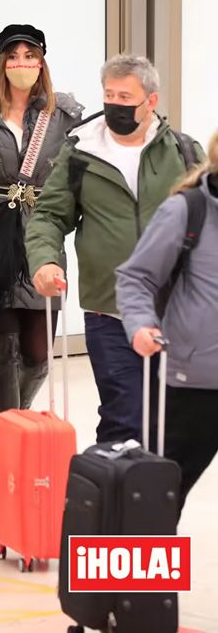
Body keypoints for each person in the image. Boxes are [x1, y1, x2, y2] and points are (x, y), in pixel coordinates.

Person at [26, 53, 204, 443]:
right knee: (124, 413)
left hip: (175, 311)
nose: (116, 105)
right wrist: (44, 261)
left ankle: (151, 498)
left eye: (126, 96)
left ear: (151, 101)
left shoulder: (183, 153)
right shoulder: (81, 153)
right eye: (110, 95)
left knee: (167, 421)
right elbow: (49, 216)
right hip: (109, 308)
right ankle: (115, 495)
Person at [0, 25, 83, 415]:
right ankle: (6, 435)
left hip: (43, 237)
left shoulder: (64, 117)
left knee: (39, 356)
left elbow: (78, 179)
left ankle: (14, 420)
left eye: (29, 55)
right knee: (4, 351)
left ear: (42, 61)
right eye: (13, 56)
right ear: (2, 62)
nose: (21, 63)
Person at [116, 133, 218, 514]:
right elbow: (137, 277)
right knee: (161, 498)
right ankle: (141, 573)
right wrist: (141, 324)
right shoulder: (186, 211)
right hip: (196, 380)